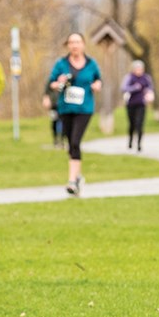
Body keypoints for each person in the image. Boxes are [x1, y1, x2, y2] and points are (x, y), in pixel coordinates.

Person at [48, 33, 102, 196]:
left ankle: (71, 180)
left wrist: (97, 86)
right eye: (71, 42)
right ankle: (77, 176)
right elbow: (51, 83)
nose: (74, 45)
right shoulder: (61, 64)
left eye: (77, 42)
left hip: (84, 109)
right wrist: (59, 83)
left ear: (83, 44)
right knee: (70, 141)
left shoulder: (91, 64)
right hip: (65, 108)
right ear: (67, 45)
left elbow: (98, 80)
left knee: (76, 141)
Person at [120, 60, 155, 152]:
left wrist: (149, 93)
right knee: (132, 124)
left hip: (141, 104)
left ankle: (139, 144)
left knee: (140, 124)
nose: (139, 71)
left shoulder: (146, 78)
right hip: (131, 104)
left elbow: (150, 88)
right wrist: (134, 88)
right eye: (137, 69)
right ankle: (131, 140)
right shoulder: (129, 77)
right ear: (134, 69)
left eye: (141, 69)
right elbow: (123, 88)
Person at [41, 79, 63, 148]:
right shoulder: (51, 80)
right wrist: (46, 100)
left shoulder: (64, 79)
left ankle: (62, 140)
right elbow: (46, 93)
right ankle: (55, 140)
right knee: (54, 122)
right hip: (53, 106)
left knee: (63, 123)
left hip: (62, 106)